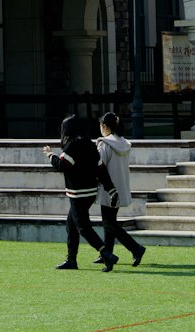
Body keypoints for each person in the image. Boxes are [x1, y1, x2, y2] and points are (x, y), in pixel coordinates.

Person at [43, 114, 118, 270]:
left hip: (78, 194)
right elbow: (101, 170)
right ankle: (71, 259)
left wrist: (50, 155)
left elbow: (61, 165)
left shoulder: (72, 146)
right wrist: (111, 190)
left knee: (83, 227)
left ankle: (106, 254)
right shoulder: (90, 144)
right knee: (71, 224)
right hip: (90, 193)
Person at [96, 112, 146, 270]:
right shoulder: (124, 143)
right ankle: (107, 253)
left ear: (105, 126)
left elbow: (99, 166)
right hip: (120, 187)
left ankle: (135, 248)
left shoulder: (104, 144)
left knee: (109, 223)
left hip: (108, 188)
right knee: (110, 222)